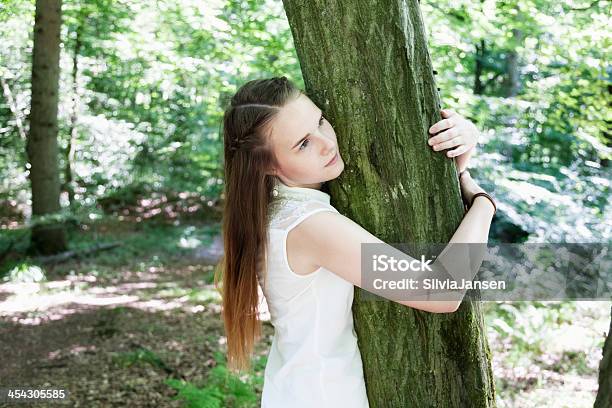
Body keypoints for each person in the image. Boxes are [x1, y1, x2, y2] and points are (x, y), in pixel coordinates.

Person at [215, 76, 496, 407]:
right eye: (303, 144)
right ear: (266, 165)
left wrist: (457, 156)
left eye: (320, 121)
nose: (327, 143)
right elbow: (441, 291)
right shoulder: (309, 226)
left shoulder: (277, 209)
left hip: (297, 388)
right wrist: (484, 203)